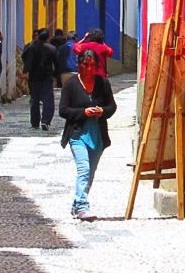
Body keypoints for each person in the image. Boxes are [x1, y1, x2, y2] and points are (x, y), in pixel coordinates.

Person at [59, 49, 117, 221]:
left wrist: (102, 111)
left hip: (97, 135)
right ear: (79, 65)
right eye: (85, 65)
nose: (89, 69)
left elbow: (112, 106)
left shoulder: (103, 84)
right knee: (83, 169)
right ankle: (83, 207)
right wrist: (84, 112)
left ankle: (76, 204)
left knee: (90, 173)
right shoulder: (71, 85)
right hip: (77, 134)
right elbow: (63, 110)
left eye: (92, 65)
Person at [22, 28, 58, 131]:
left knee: (34, 100)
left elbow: (23, 56)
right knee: (48, 99)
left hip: (33, 76)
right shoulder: (52, 48)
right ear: (48, 37)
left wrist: (28, 68)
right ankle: (45, 121)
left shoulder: (30, 47)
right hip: (46, 76)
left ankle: (34, 122)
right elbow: (56, 63)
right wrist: (56, 75)